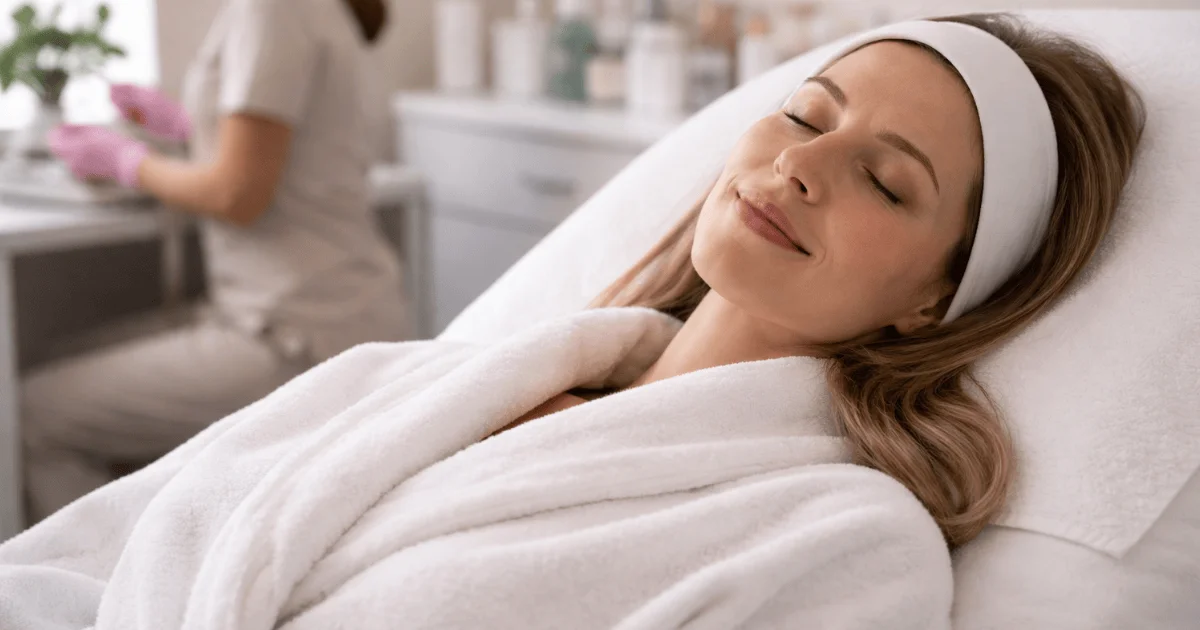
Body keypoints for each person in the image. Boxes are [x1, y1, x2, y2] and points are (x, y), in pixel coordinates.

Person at [0, 13, 1145, 629]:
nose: (802, 164)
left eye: (888, 183)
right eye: (805, 113)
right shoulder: (433, 381)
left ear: (934, 299)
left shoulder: (843, 546)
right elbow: (111, 553)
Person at [21, 0, 406, 523]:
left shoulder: (274, 9)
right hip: (338, 312)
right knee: (53, 357)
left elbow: (236, 193)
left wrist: (124, 160)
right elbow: (276, 144)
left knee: (31, 412)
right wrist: (184, 124)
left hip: (298, 335)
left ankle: (102, 598)